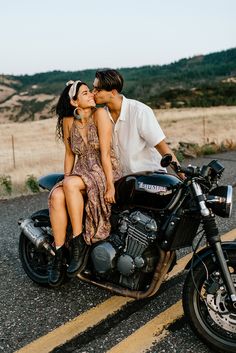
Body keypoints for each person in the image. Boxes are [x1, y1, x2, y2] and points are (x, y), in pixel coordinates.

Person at [48, 80, 121, 286]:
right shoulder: (68, 121)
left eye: (90, 91)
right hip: (81, 171)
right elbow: (70, 154)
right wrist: (65, 177)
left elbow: (106, 154)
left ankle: (79, 242)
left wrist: (110, 184)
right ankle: (59, 253)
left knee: (70, 185)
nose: (92, 95)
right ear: (74, 102)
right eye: (86, 93)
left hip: (103, 170)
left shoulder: (100, 115)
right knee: (56, 194)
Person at [92, 69, 184, 178]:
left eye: (97, 89)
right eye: (93, 88)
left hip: (151, 178)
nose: (93, 92)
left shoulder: (140, 111)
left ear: (113, 92)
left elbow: (163, 148)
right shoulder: (101, 116)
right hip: (123, 181)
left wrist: (184, 177)